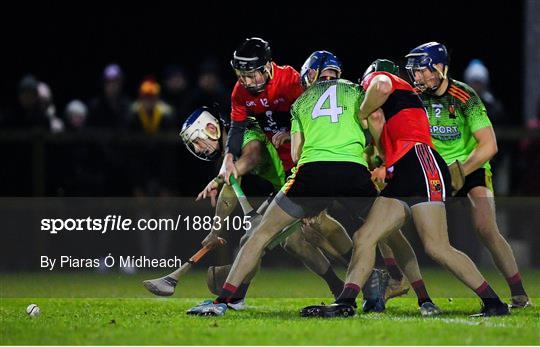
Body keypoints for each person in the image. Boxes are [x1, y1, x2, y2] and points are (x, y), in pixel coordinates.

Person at [186, 52, 434, 317]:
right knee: (383, 233)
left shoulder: (301, 101)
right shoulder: (357, 91)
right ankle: (422, 297)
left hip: (311, 173)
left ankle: (222, 302)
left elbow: (295, 154)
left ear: (310, 75)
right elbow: (374, 120)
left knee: (259, 236)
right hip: (354, 173)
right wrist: (384, 157)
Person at [301, 58, 510, 318]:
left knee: (437, 247)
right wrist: (384, 160)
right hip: (405, 169)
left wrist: (361, 112)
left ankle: (493, 302)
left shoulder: (380, 80)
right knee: (365, 237)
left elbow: (379, 89)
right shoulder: (402, 97)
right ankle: (346, 301)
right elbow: (382, 129)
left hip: (420, 163)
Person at [405, 42, 530, 308]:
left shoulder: (465, 96)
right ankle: (408, 289)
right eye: (414, 71)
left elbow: (489, 146)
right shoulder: (415, 98)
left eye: (420, 70)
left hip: (469, 168)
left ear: (439, 68)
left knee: (486, 228)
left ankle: (519, 293)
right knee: (396, 217)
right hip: (435, 172)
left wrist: (460, 171)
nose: (416, 76)